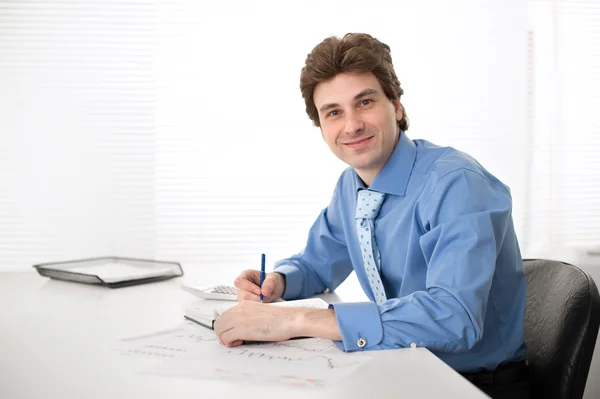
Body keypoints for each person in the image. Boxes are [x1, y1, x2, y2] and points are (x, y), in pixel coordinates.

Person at [214, 33, 530, 398]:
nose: (351, 126)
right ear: (321, 126)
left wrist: (296, 320)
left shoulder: (455, 184)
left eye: (364, 102)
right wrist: (279, 281)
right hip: (397, 371)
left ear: (395, 105)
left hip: (472, 385)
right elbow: (317, 264)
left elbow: (454, 316)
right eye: (333, 112)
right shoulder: (351, 187)